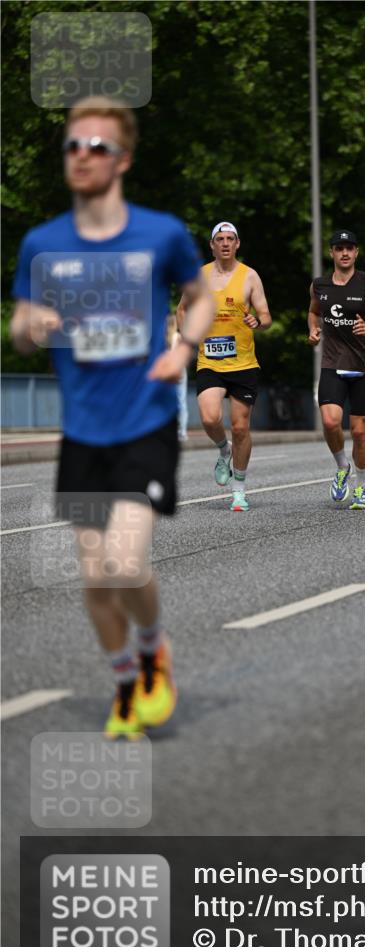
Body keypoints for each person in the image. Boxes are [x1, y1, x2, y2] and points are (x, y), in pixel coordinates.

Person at [10, 97, 215, 737]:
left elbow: (200, 297)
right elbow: (19, 325)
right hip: (83, 434)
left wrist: (182, 347)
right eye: (73, 146)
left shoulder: (160, 233)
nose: (81, 156)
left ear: (122, 159)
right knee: (96, 582)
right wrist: (33, 326)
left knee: (125, 563)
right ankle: (127, 682)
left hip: (145, 421)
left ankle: (153, 646)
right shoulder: (42, 243)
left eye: (96, 147)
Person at [178, 221, 271, 512]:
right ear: (212, 245)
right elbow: (181, 309)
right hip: (211, 361)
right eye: (220, 239)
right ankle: (222, 449)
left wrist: (258, 321)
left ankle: (239, 490)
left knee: (241, 428)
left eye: (231, 239)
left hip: (243, 363)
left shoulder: (250, 276)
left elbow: (266, 316)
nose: (226, 243)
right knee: (209, 418)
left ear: (238, 244)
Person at [308, 229, 365, 509]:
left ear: (356, 252)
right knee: (329, 421)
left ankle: (361, 487)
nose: (344, 253)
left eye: (349, 248)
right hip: (332, 362)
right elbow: (314, 311)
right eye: (339, 248)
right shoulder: (320, 285)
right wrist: (313, 330)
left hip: (363, 365)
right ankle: (342, 466)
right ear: (331, 252)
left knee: (360, 432)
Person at [167, 314, 190, 441]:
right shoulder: (178, 337)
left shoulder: (164, 337)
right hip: (179, 368)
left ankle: (171, 429)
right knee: (181, 400)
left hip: (167, 368)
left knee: (168, 400)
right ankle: (182, 431)